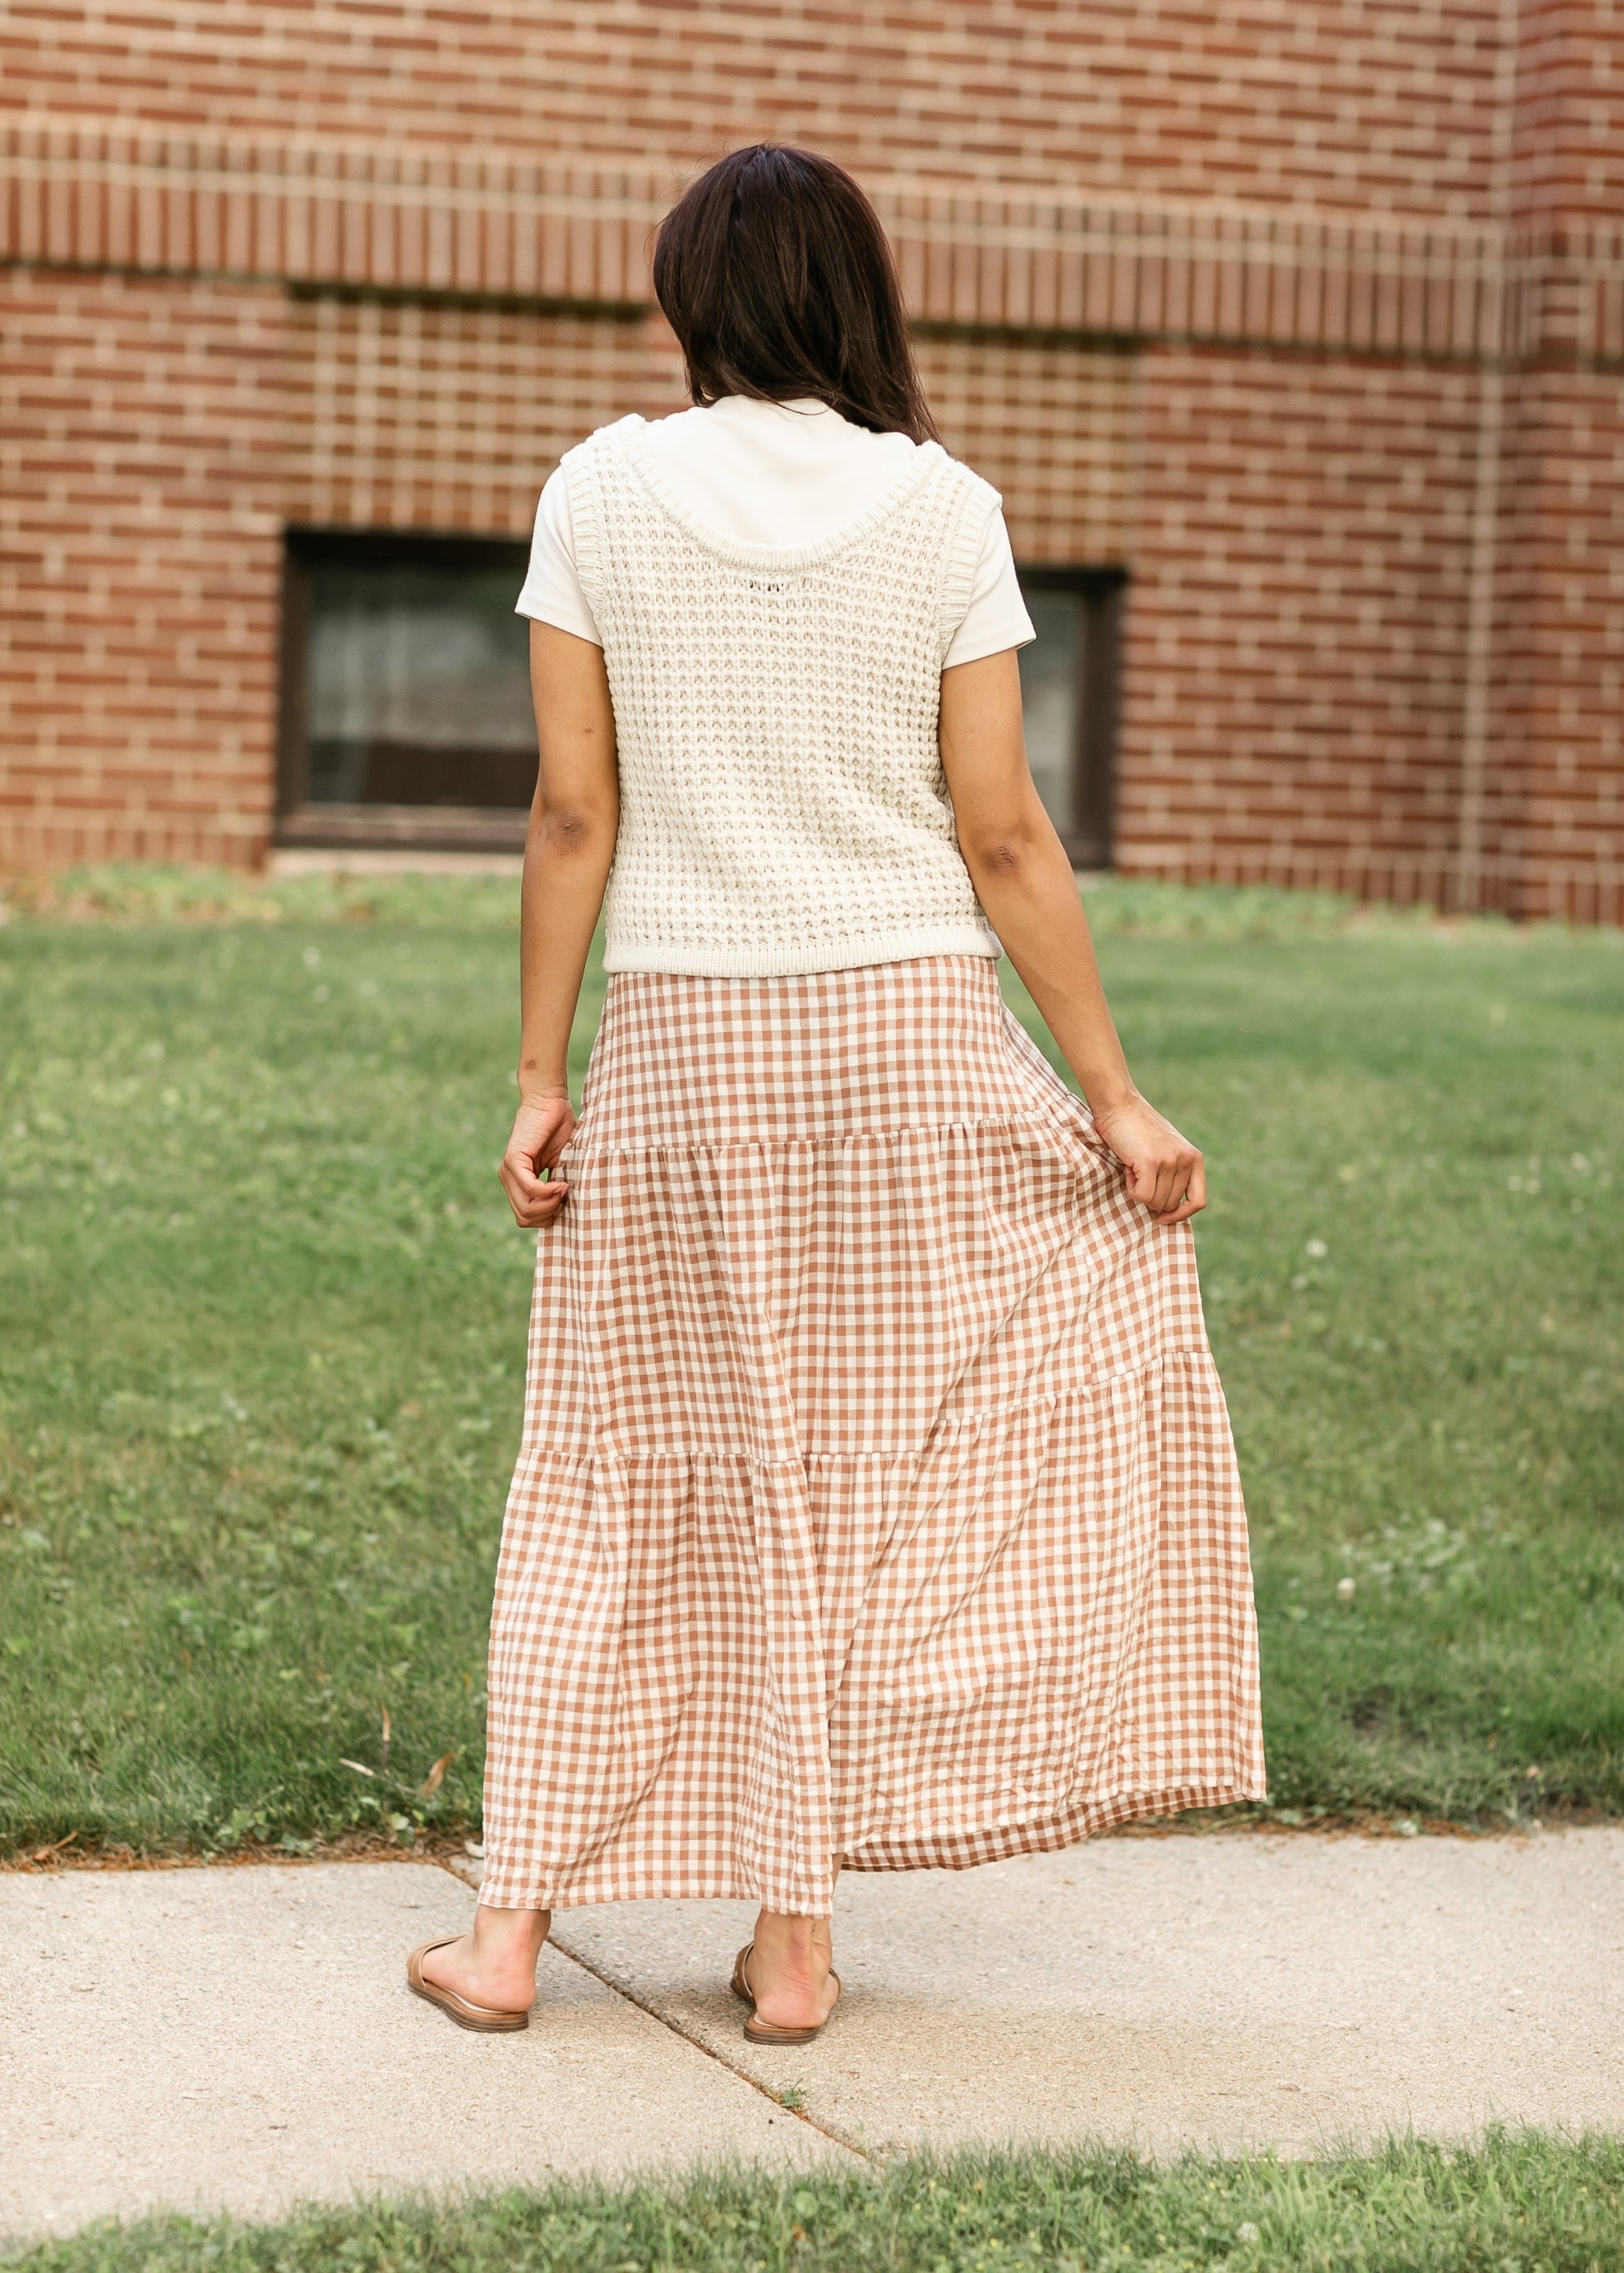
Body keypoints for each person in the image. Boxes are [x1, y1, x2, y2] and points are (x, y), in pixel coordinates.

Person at [407, 144, 1264, 2042]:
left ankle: (508, 1941)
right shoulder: (943, 505)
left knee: (610, 1481)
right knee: (857, 1481)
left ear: (691, 299)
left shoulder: (600, 487)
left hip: (697, 1041)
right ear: (857, 294)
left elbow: (570, 810)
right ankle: (792, 1950)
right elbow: (1005, 836)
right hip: (913, 1036)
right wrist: (1111, 1098)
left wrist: (544, 1072)